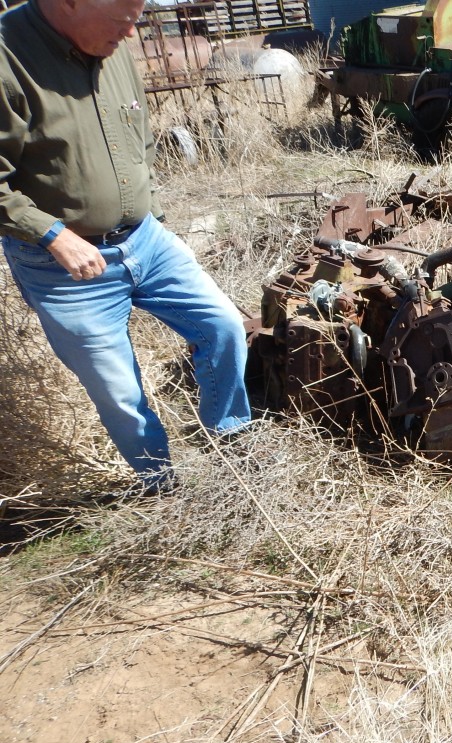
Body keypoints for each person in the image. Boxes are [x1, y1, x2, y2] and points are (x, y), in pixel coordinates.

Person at [0, 0, 251, 491]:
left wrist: (150, 211)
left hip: (147, 241)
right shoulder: (7, 59)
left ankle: (232, 448)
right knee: (119, 393)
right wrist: (53, 235)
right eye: (123, 19)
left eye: (138, 17)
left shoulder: (110, 45)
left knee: (223, 327)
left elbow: (140, 139)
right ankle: (164, 491)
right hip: (64, 266)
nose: (132, 33)